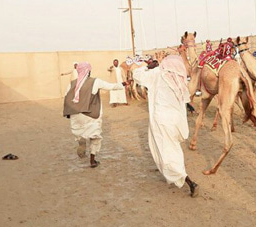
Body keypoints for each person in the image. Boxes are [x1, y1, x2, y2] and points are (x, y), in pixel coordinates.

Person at [133, 55, 199, 197]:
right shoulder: (180, 79)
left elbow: (136, 75)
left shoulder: (157, 74)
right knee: (173, 149)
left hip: (162, 120)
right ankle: (171, 173)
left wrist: (147, 66)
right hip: (177, 121)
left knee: (168, 152)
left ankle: (189, 182)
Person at [63, 62, 127, 168]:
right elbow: (111, 86)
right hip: (91, 114)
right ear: (88, 71)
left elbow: (67, 98)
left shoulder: (71, 83)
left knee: (80, 132)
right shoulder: (95, 81)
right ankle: (92, 160)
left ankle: (81, 141)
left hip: (75, 114)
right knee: (95, 136)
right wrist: (124, 84)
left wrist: (69, 114)